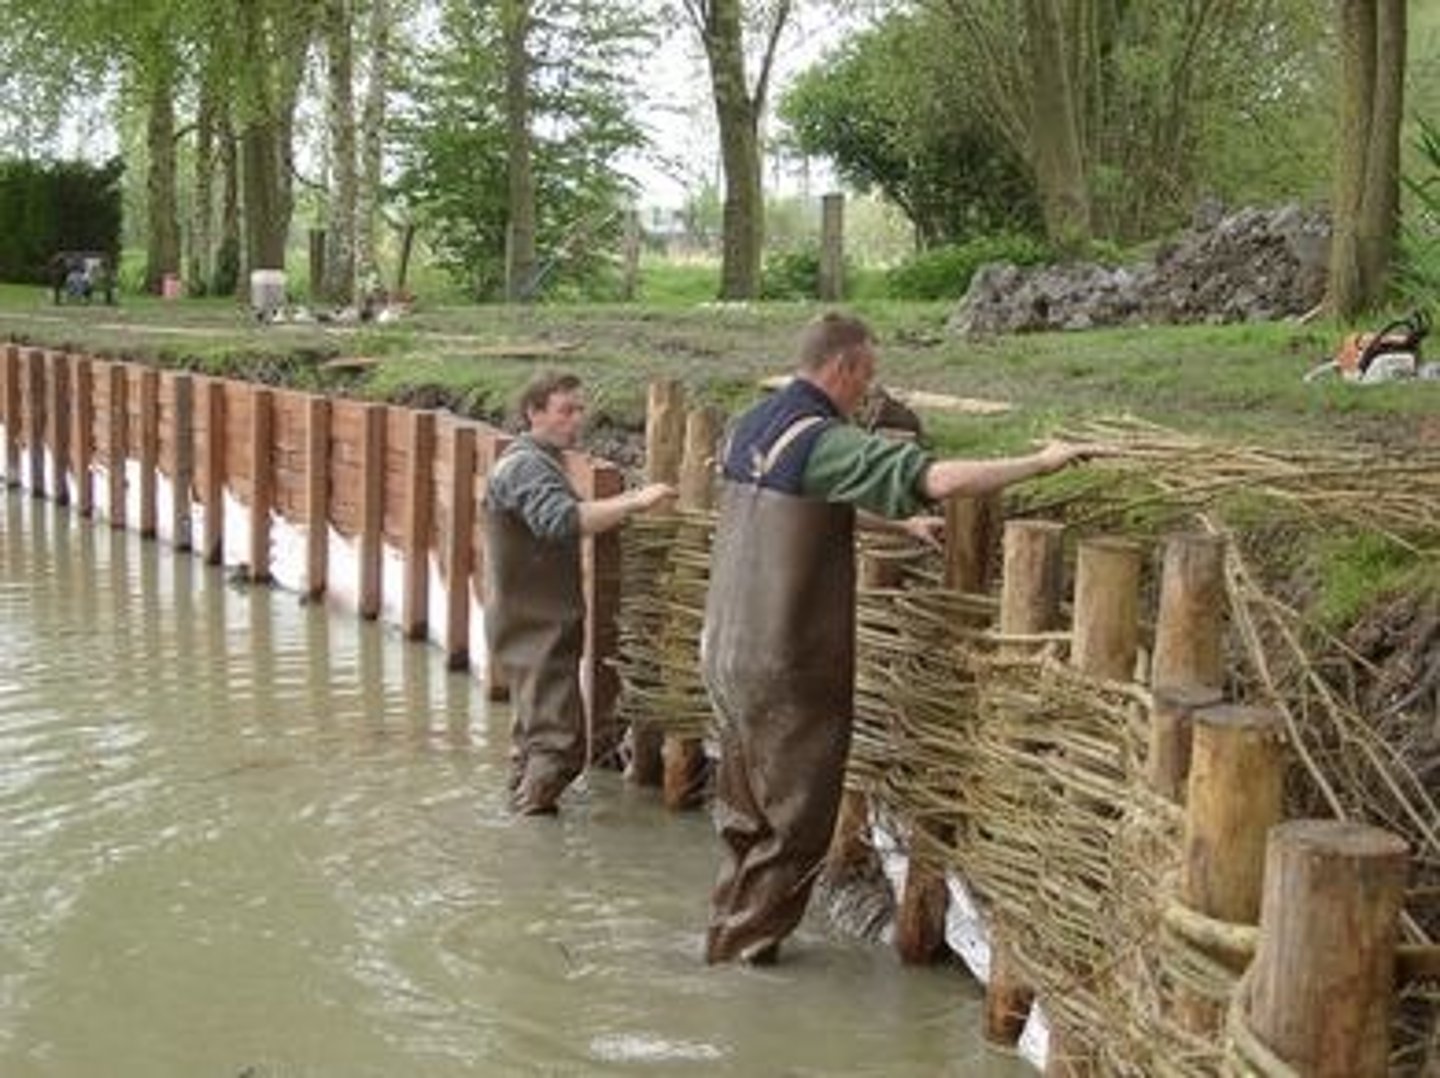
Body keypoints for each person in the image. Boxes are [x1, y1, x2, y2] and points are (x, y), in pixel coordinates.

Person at [701, 311, 1101, 964]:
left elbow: (791, 505)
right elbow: (939, 480)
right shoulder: (822, 438)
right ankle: (745, 964)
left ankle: (724, 937)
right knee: (796, 825)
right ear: (843, 368)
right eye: (867, 376)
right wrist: (1042, 461)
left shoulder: (752, 425)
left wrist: (898, 530)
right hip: (784, 662)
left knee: (745, 817)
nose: (868, 391)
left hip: (725, 650)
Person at [483, 371, 674, 815]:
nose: (577, 420)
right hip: (534, 627)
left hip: (531, 623)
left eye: (579, 409)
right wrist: (635, 502)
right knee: (557, 747)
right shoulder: (526, 465)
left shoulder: (531, 459)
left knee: (534, 740)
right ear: (534, 413)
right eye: (566, 410)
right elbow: (562, 519)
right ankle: (532, 851)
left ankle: (520, 819)